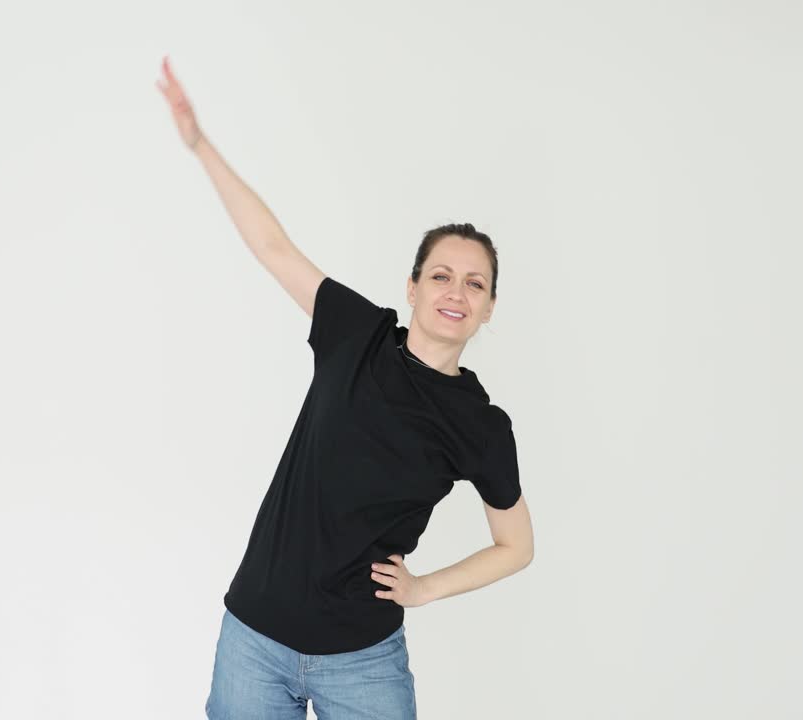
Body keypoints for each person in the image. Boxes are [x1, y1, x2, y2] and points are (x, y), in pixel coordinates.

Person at [156, 55, 535, 720]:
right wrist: (199, 145)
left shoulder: (480, 425)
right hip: (254, 640)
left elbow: (517, 546)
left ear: (489, 308)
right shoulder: (356, 335)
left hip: (363, 660)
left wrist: (425, 588)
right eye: (441, 275)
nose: (456, 291)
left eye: (475, 283)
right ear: (412, 287)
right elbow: (273, 246)